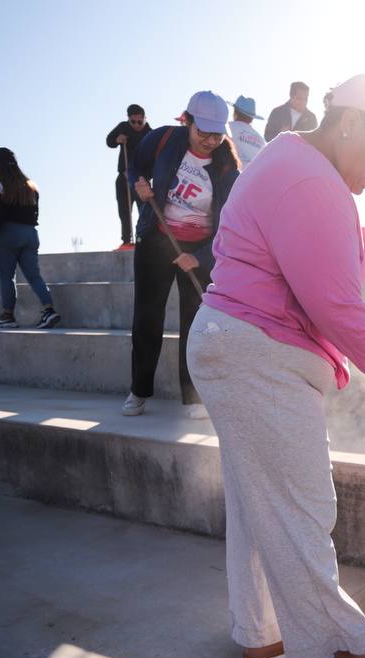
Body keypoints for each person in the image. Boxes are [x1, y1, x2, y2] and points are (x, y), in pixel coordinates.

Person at [187, 73, 365, 658]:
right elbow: (336, 308)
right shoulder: (314, 182)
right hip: (259, 355)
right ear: (350, 122)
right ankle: (320, 651)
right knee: (302, 507)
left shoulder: (292, 161)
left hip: (231, 345)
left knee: (258, 502)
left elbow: (303, 254)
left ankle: (262, 635)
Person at [124, 90, 240, 419]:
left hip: (198, 248)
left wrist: (201, 258)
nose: (210, 140)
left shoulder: (228, 169)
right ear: (187, 122)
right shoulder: (162, 140)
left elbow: (229, 227)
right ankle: (138, 390)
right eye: (203, 131)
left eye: (217, 133)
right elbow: (135, 167)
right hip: (157, 240)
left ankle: (192, 396)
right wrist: (139, 185)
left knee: (195, 324)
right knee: (147, 318)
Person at [0, 148, 60, 330]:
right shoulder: (30, 184)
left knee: (6, 277)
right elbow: (35, 213)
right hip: (30, 234)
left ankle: (8, 316)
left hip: (8, 234)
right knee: (34, 276)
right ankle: (49, 311)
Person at [106, 103, 152, 250]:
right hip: (123, 176)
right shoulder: (123, 127)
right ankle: (127, 241)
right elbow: (109, 141)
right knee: (124, 210)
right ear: (128, 119)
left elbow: (155, 159)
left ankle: (142, 240)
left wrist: (145, 177)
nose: (137, 125)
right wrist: (117, 139)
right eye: (133, 122)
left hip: (140, 179)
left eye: (140, 122)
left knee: (144, 210)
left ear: (145, 119)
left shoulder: (150, 134)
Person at [226, 95, 266, 169]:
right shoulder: (260, 139)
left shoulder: (228, 127)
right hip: (255, 176)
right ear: (252, 118)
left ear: (235, 112)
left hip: (234, 173)